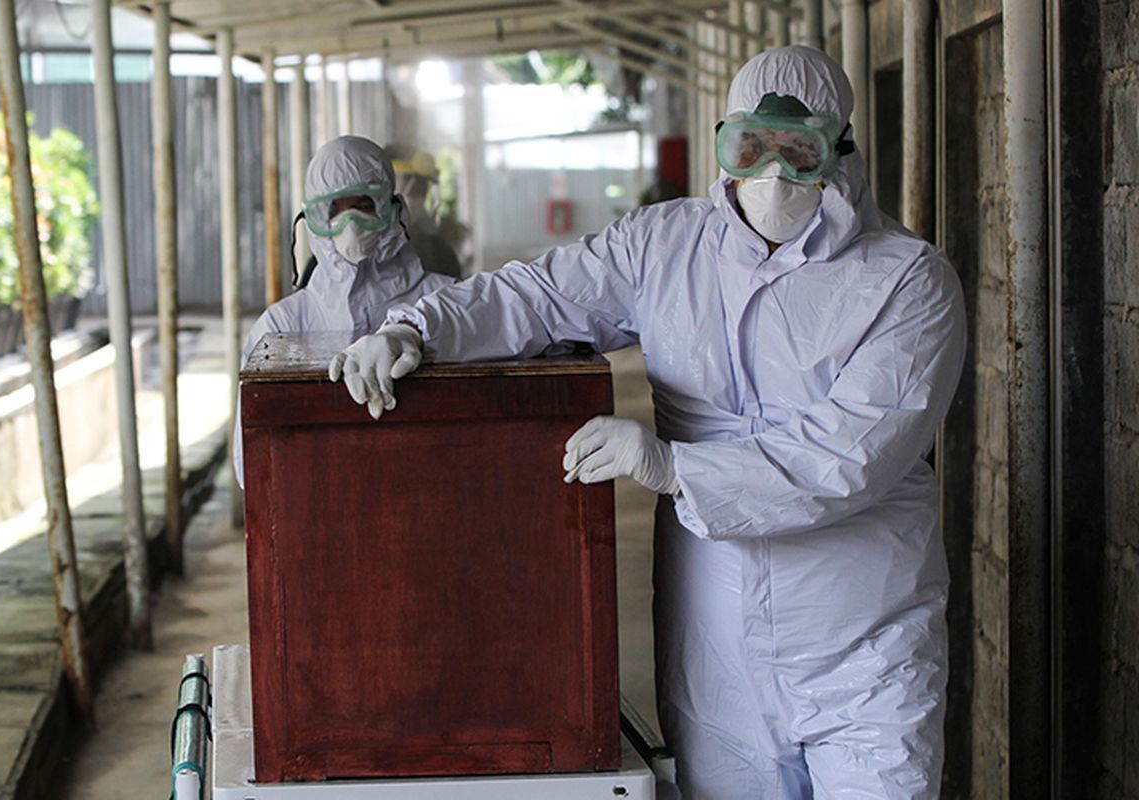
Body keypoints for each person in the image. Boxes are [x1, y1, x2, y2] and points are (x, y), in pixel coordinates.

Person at [333, 46, 965, 799]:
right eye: (750, 146)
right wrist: (415, 329)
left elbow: (848, 458)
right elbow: (534, 296)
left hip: (862, 641)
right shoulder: (665, 245)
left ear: (841, 152)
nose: (771, 174)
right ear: (722, 142)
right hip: (716, 646)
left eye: (800, 152)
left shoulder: (907, 281)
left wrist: (674, 467)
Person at [232, 135, 454, 487]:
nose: (350, 222)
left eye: (364, 205)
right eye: (335, 209)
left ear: (392, 208)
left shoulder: (447, 300)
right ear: (314, 219)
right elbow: (253, 466)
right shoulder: (280, 327)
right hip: (326, 504)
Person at [388, 146, 463, 279]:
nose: (414, 188)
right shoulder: (370, 245)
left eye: (422, 181)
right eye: (406, 178)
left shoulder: (438, 249)